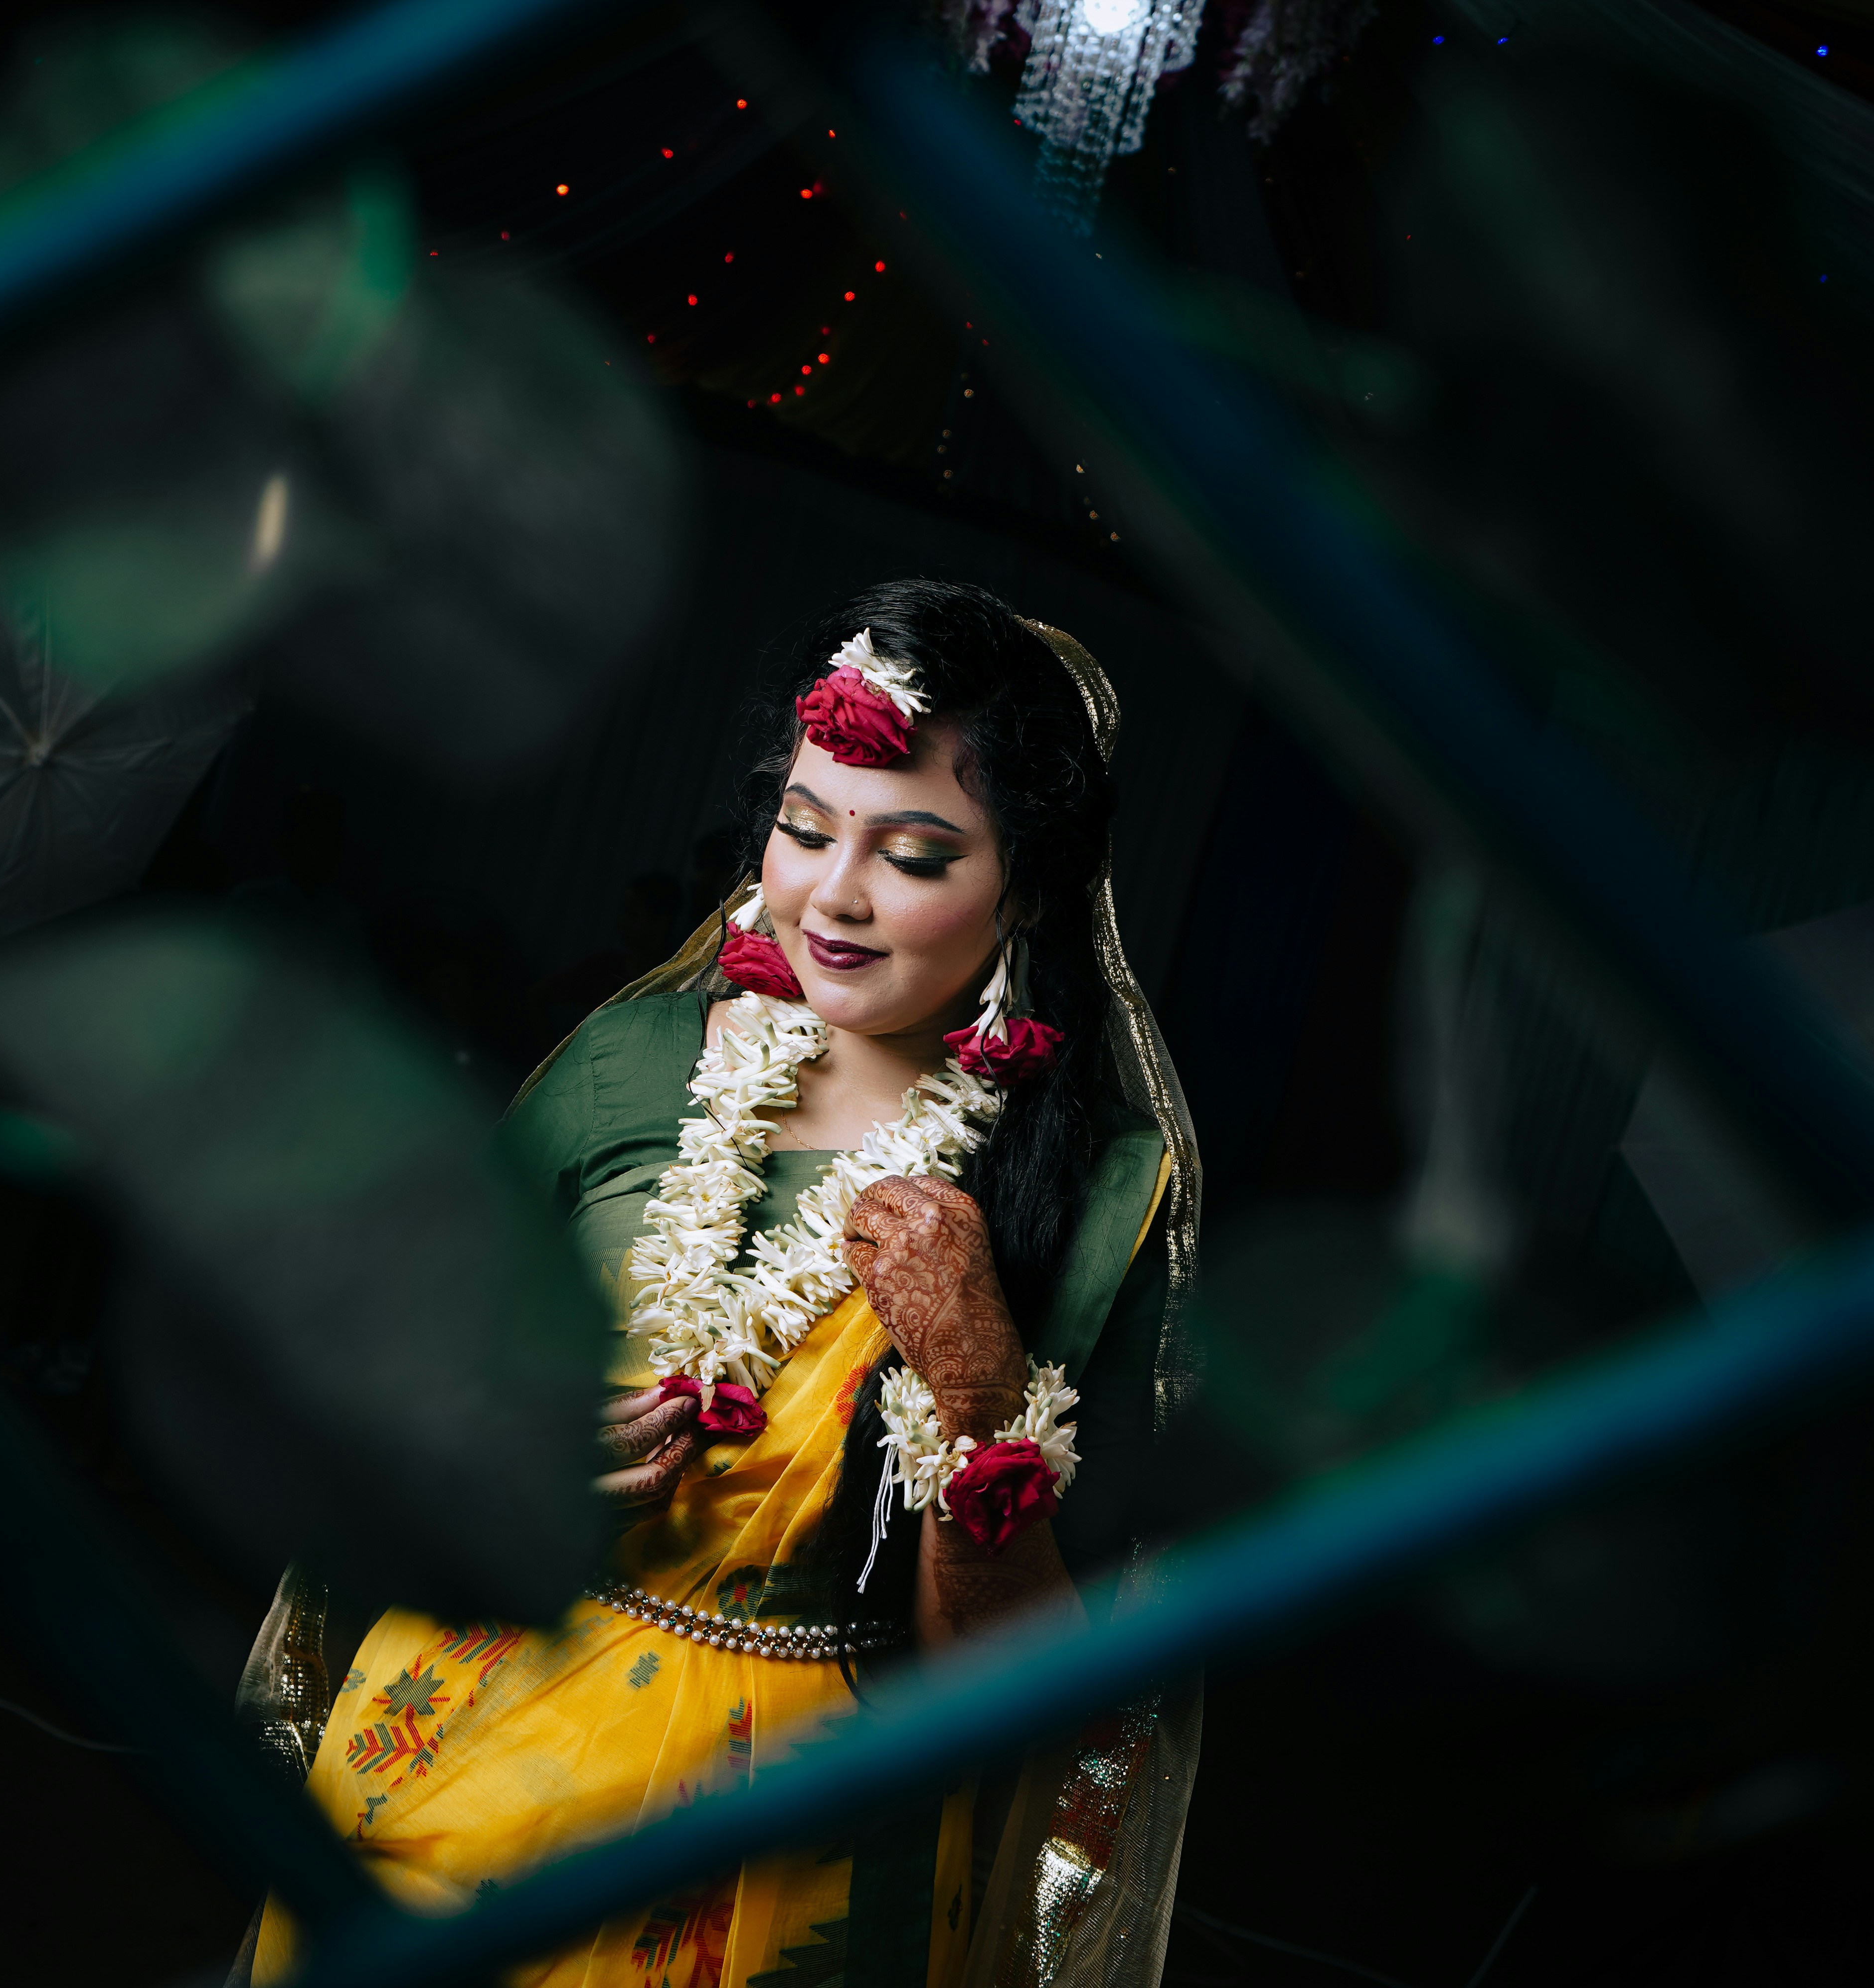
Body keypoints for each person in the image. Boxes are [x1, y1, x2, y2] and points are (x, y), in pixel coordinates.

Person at [236, 580, 1204, 1988]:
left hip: (798, 1864)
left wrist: (975, 1373)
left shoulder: (1097, 1195)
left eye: (917, 854)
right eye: (807, 830)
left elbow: (1018, 1698)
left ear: (1030, 889)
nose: (835, 896)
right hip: (446, 1776)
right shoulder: (625, 1067)